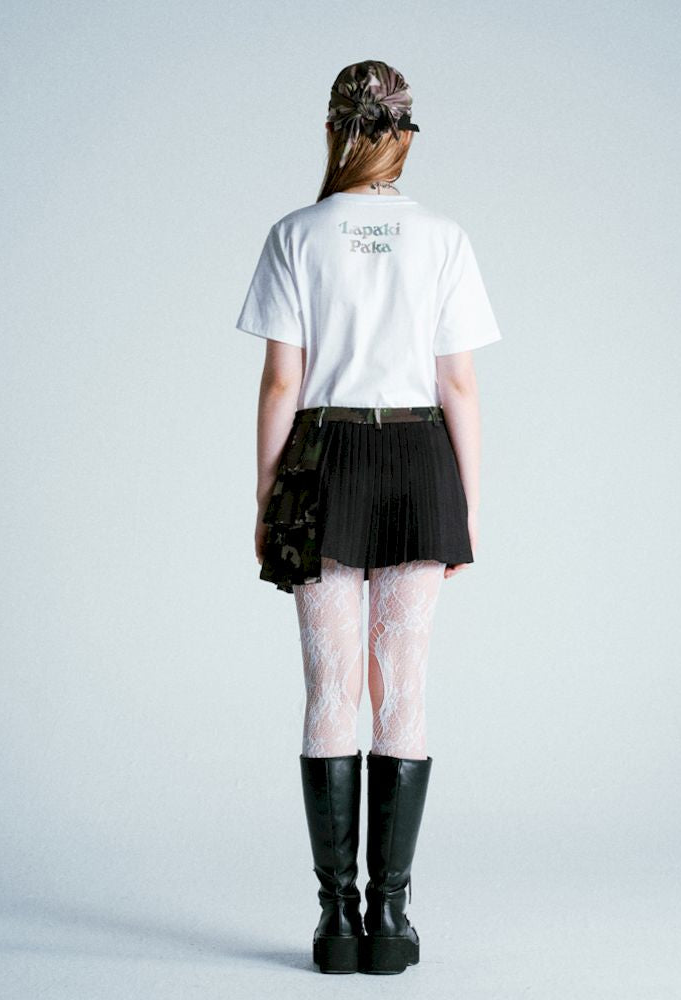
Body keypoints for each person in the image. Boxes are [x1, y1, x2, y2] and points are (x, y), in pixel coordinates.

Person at [235, 60, 502, 975]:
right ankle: (390, 920)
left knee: (331, 690)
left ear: (333, 129)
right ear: (405, 134)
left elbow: (282, 381)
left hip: (322, 462)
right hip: (421, 459)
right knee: (404, 687)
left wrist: (265, 497)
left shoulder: (296, 234)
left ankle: (335, 921)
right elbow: (458, 383)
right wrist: (467, 504)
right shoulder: (444, 238)